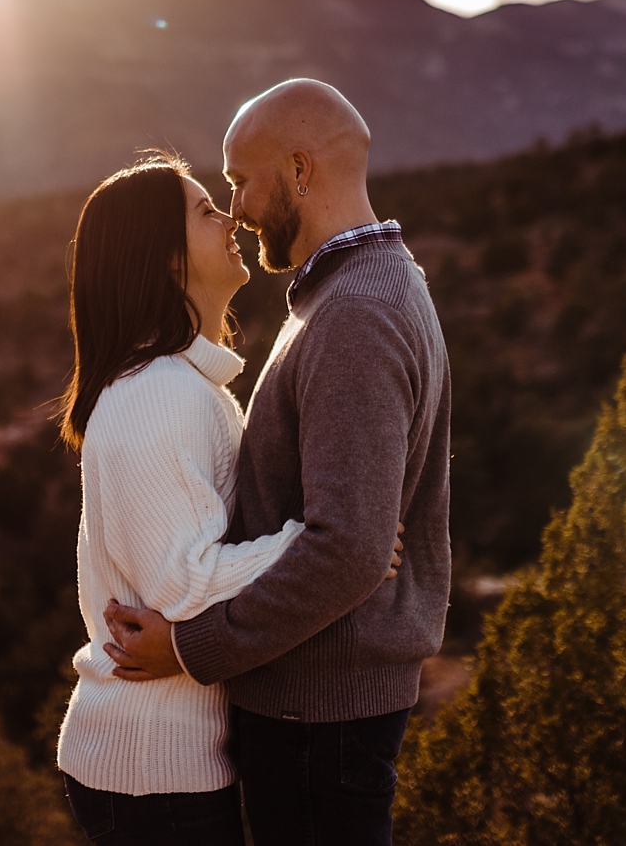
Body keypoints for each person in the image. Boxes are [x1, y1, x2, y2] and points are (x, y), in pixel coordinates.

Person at [103, 80, 453, 846]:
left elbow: (352, 549)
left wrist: (191, 649)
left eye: (238, 179)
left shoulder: (355, 312)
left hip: (315, 715)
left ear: (299, 170)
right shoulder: (359, 291)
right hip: (320, 708)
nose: (233, 209)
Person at [53, 152, 403, 845]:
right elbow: (182, 589)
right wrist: (318, 546)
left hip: (165, 755)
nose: (232, 216)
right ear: (165, 259)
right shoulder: (158, 394)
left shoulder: (187, 387)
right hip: (156, 765)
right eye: (207, 211)